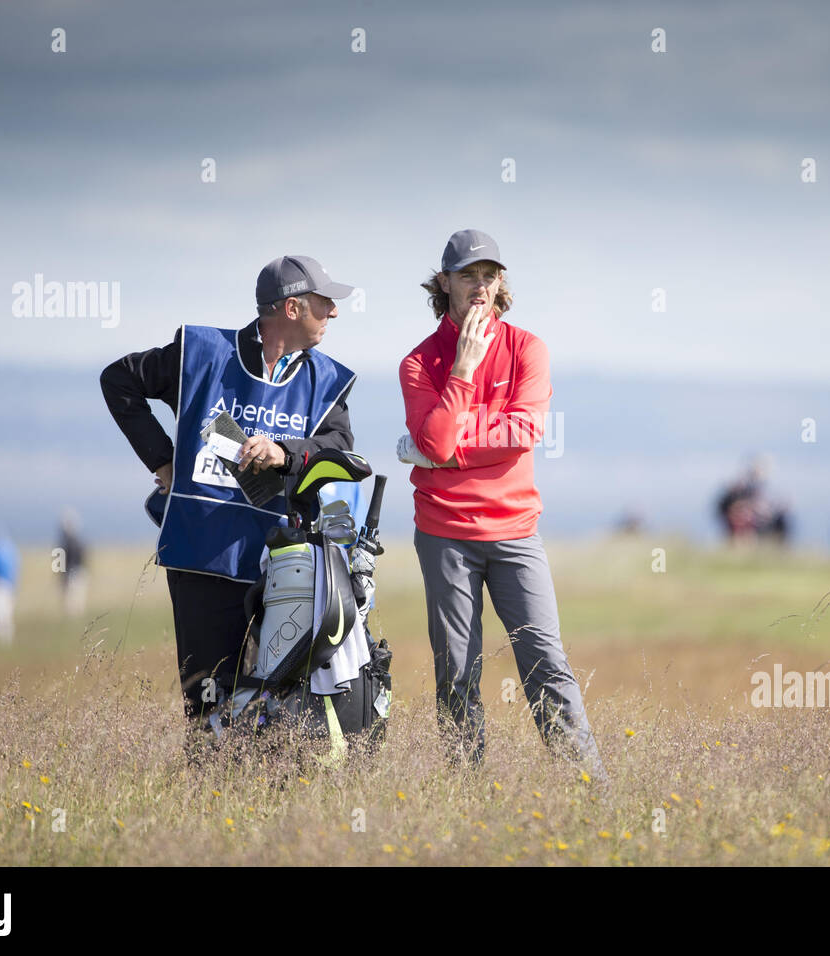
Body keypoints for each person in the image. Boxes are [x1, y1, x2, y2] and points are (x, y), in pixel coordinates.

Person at [100, 255, 358, 722]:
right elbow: (118, 381)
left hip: (286, 568)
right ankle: (207, 791)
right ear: (292, 308)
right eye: (325, 303)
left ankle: (263, 791)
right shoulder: (202, 354)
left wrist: (285, 452)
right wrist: (163, 461)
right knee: (206, 708)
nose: (334, 312)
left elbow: (341, 448)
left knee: (278, 707)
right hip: (203, 561)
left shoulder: (327, 381)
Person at [397, 228, 606, 782]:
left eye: (490, 276)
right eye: (469, 275)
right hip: (443, 533)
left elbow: (523, 430)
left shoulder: (527, 348)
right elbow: (439, 442)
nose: (481, 286)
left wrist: (442, 448)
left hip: (515, 531)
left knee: (546, 662)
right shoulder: (419, 363)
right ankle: (467, 795)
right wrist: (462, 371)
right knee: (457, 672)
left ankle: (589, 791)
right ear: (445, 283)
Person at [56, 509, 88, 618]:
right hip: (78, 573)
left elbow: (58, 562)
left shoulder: (64, 542)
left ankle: (72, 619)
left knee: (70, 601)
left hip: (72, 574)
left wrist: (60, 575)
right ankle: (75, 620)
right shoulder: (79, 541)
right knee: (76, 601)